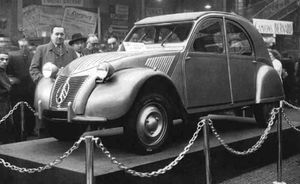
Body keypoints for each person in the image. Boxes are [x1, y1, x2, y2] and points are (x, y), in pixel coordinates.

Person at [7, 38, 36, 138]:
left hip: (30, 88)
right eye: (21, 46)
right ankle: (18, 131)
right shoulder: (12, 57)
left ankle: (30, 130)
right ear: (18, 47)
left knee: (31, 110)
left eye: (25, 46)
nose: (23, 48)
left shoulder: (34, 56)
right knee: (16, 112)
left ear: (28, 46)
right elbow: (8, 73)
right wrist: (12, 79)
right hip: (17, 89)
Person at [0, 51, 15, 143]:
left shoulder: (3, 71)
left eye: (6, 59)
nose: (5, 61)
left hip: (5, 101)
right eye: (1, 59)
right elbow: (7, 87)